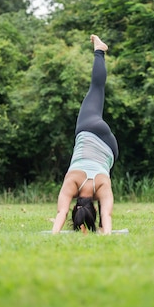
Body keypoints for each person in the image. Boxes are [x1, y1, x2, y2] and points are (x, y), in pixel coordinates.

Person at [52, 35, 119, 235]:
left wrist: (104, 233)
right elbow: (60, 212)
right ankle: (99, 51)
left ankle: (95, 224)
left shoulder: (102, 186)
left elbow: (107, 215)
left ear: (93, 209)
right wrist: (54, 232)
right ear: (77, 207)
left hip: (111, 149)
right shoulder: (71, 181)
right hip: (90, 129)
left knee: (106, 168)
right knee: (96, 89)